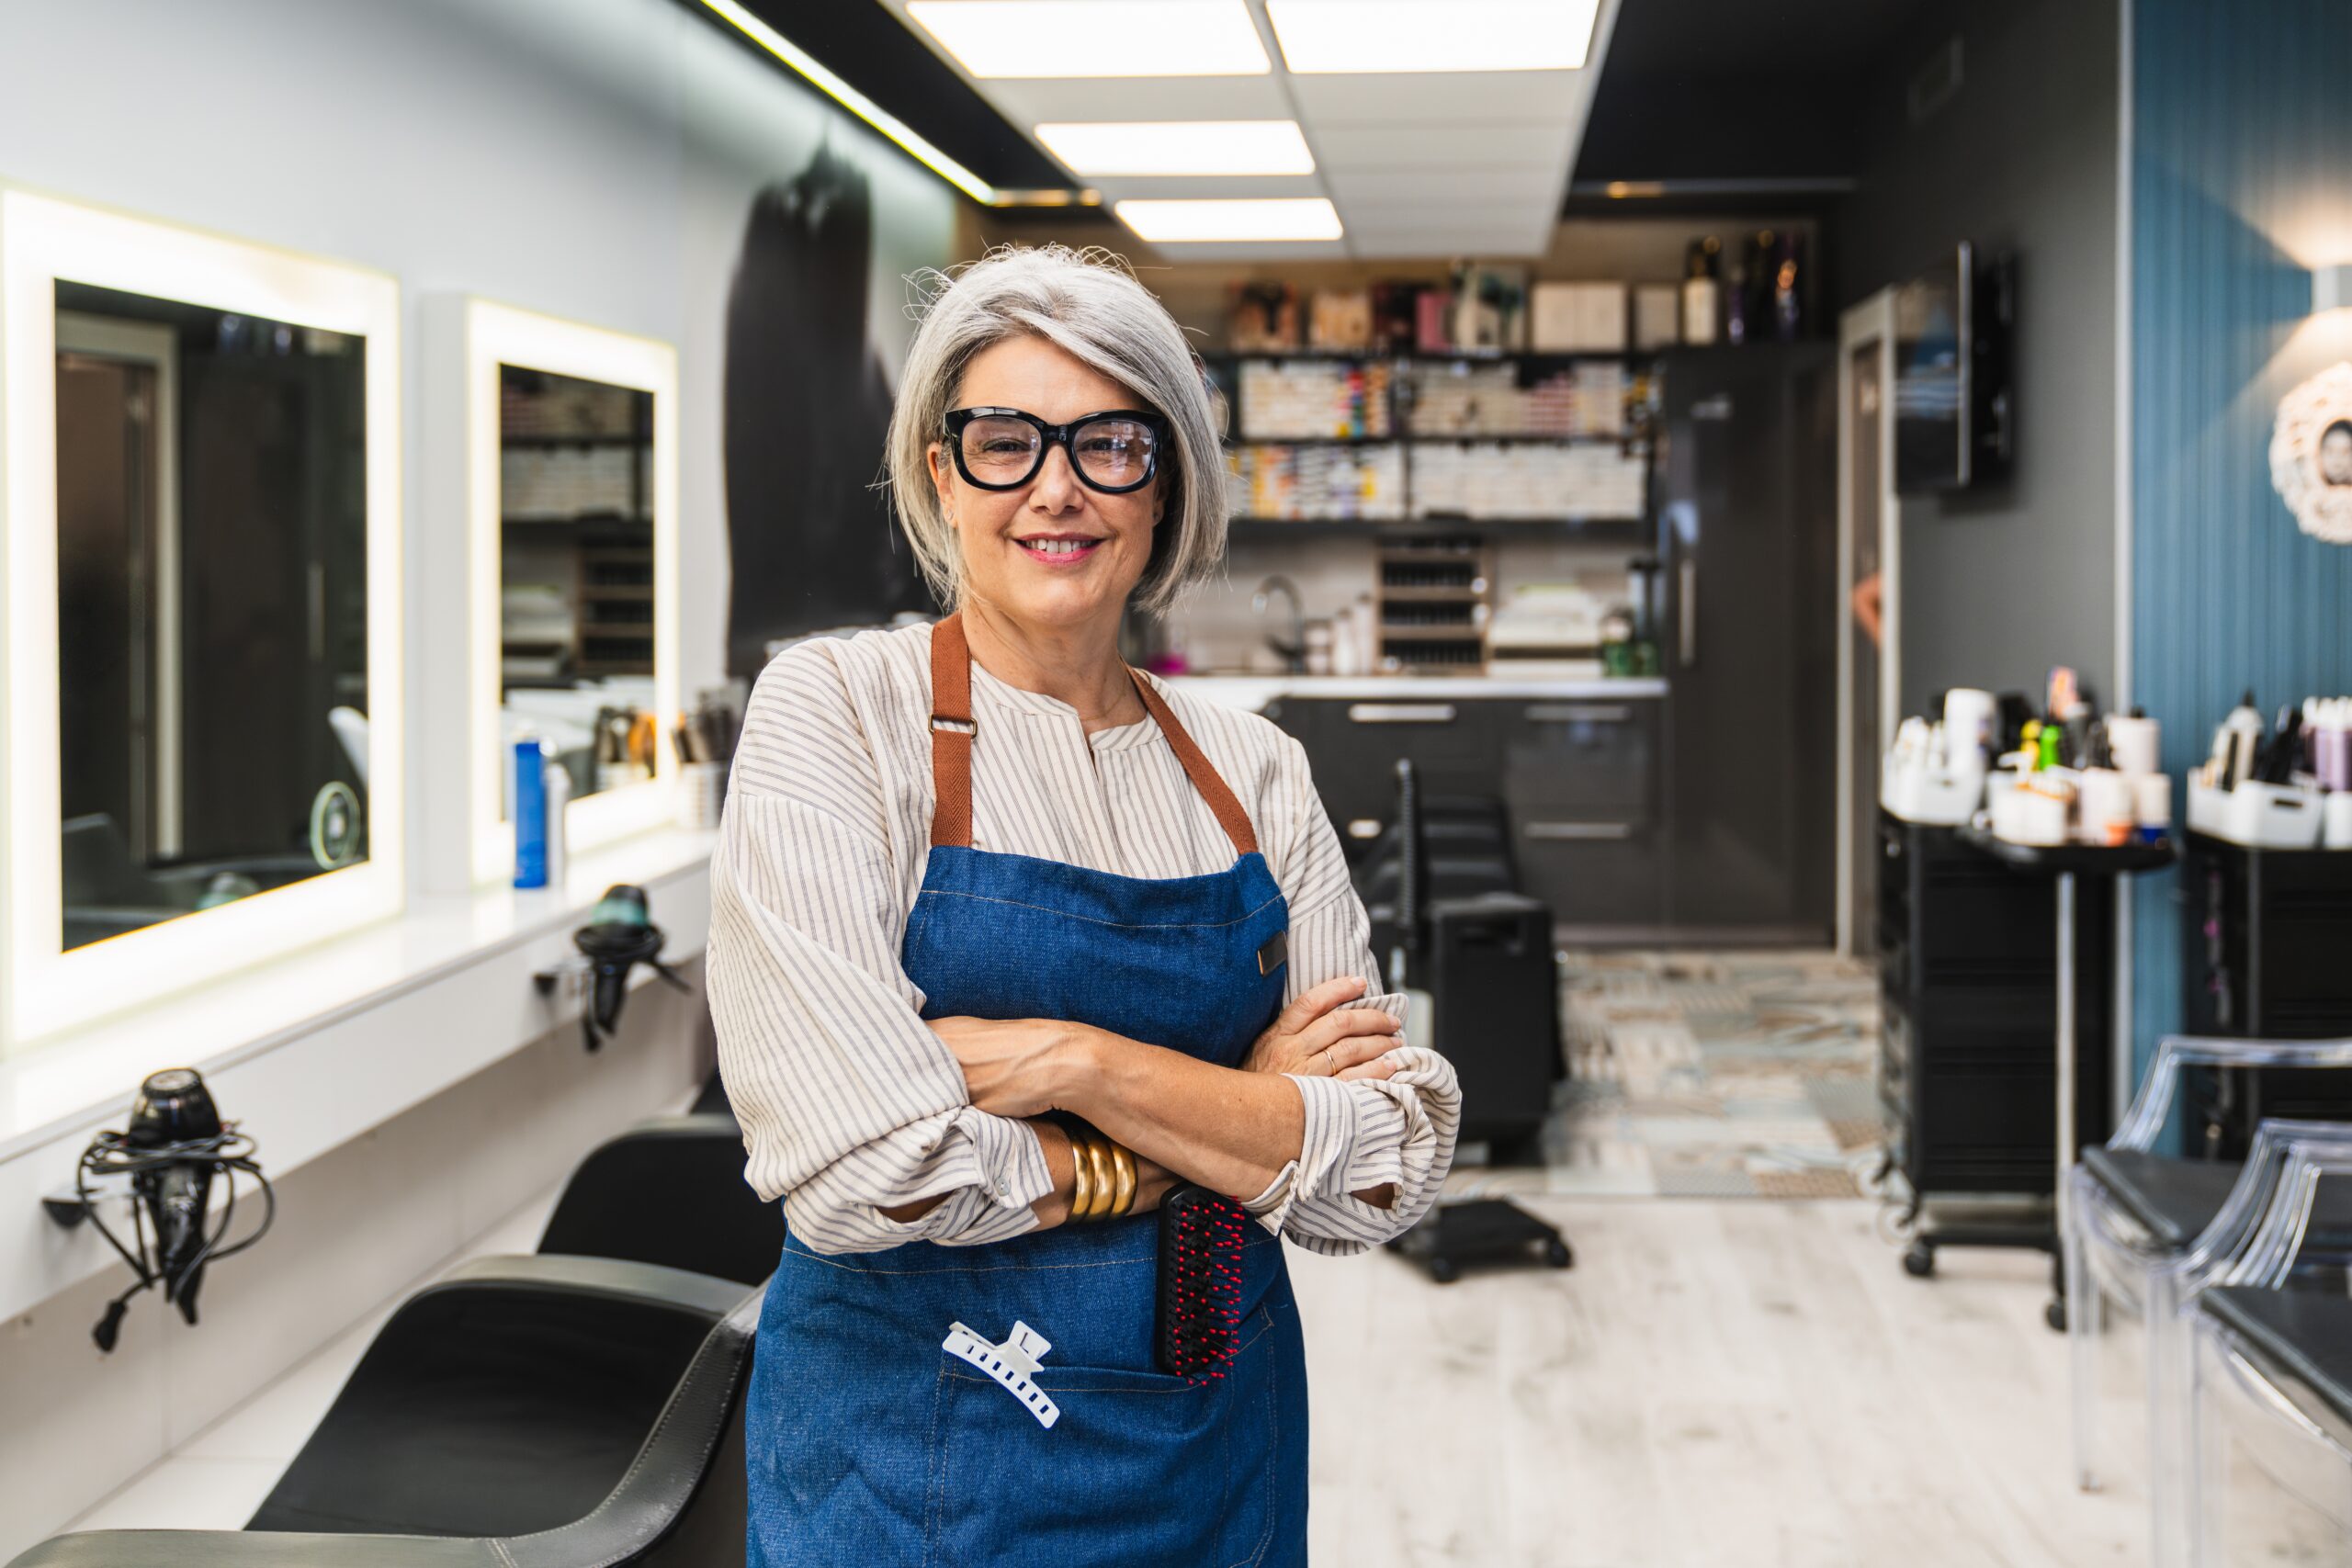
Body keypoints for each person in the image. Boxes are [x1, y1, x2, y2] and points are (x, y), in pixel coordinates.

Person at [708, 245, 1461, 1568]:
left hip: (1212, 1440)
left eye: (1110, 442)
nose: (1056, 487)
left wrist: (1076, 1064)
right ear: (943, 473)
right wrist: (1234, 1110)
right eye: (1006, 440)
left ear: (1164, 483)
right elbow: (858, 1167)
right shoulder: (837, 713)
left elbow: (1385, 1165)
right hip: (907, 1462)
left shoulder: (1254, 770)